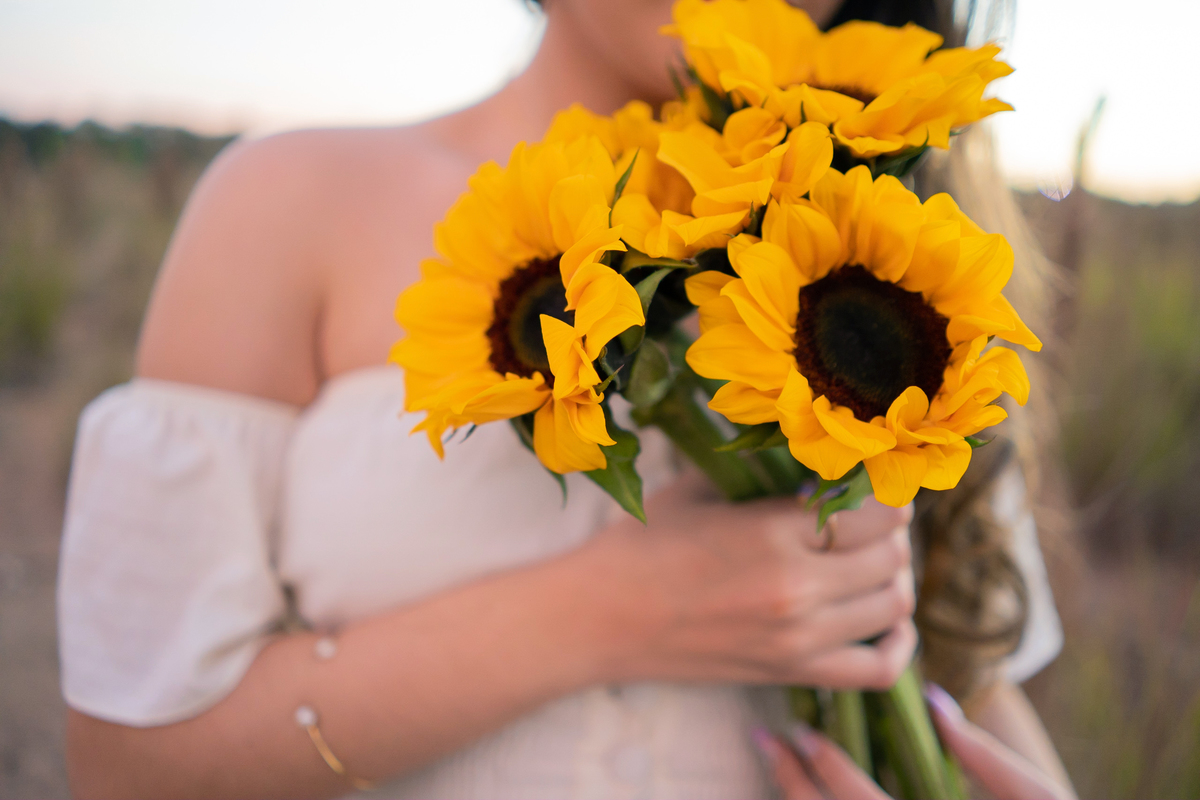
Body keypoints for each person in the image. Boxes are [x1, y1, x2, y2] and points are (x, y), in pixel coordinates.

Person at [57, 0, 1073, 797]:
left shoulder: (907, 245)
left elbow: (969, 670)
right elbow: (126, 765)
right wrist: (605, 610)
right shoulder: (287, 201)